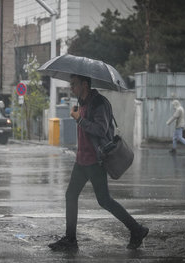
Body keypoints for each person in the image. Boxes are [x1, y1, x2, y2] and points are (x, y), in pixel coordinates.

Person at [48, 74, 148, 251]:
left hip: (95, 160)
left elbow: (100, 130)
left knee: (104, 200)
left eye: (74, 84)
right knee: (71, 195)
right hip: (81, 160)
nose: (71, 88)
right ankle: (70, 240)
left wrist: (79, 119)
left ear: (84, 85)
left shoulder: (99, 103)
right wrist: (79, 116)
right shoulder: (82, 101)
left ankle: (137, 229)